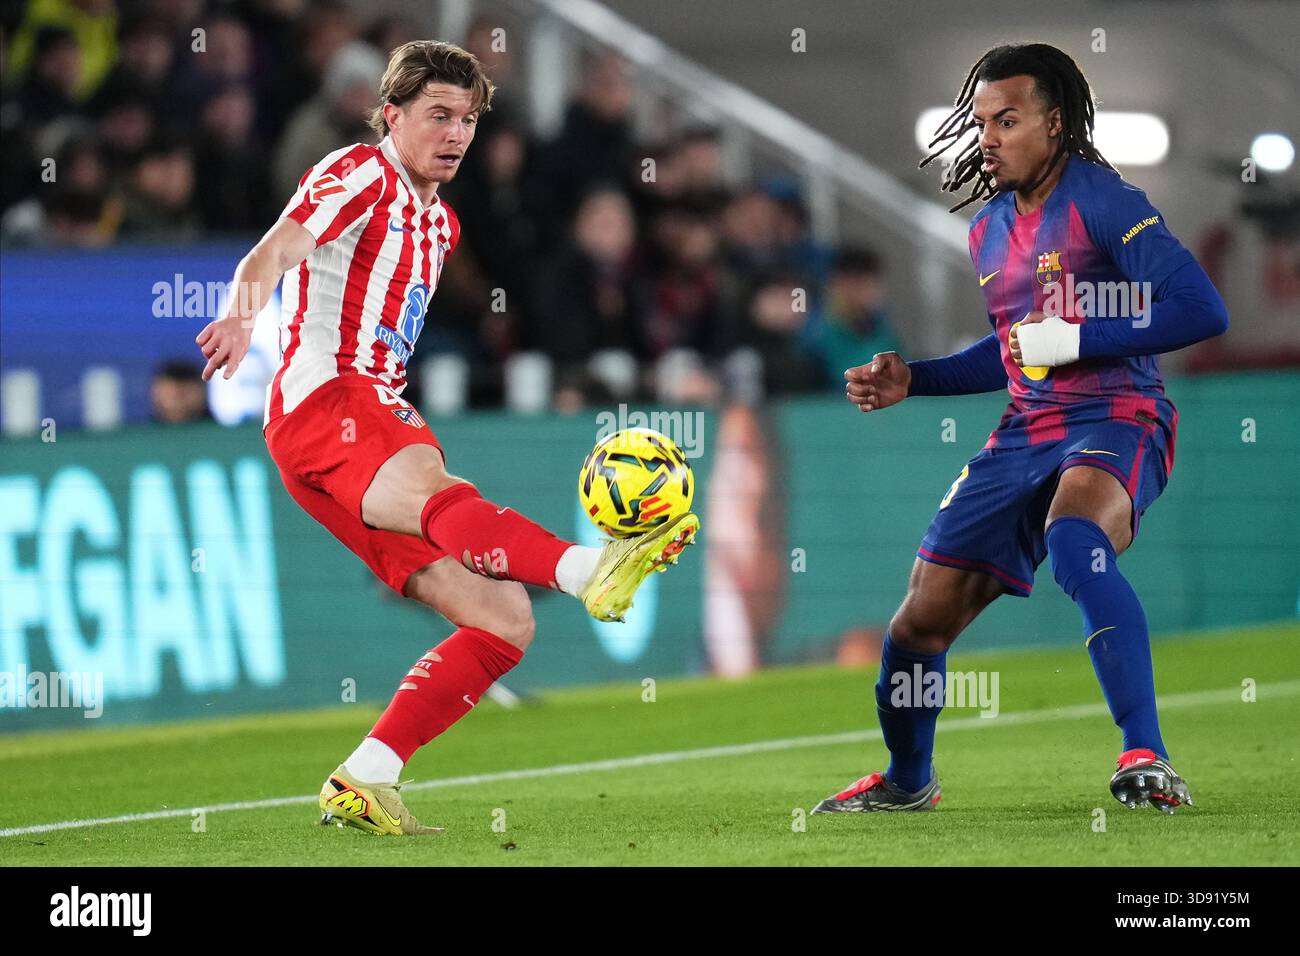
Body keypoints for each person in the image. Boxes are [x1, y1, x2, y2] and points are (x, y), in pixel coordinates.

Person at [195, 41, 698, 836]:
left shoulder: (441, 223)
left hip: (335, 439)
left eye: (467, 118)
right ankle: (588, 569)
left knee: (502, 620)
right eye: (437, 114)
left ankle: (366, 776)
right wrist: (241, 312)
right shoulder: (362, 172)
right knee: (431, 484)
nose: (456, 132)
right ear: (390, 115)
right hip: (330, 402)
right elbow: (279, 247)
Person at [816, 43, 1227, 815]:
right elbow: (1012, 351)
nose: (989, 138)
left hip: (1118, 414)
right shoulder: (990, 230)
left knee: (1077, 538)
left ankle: (1147, 753)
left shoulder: (1105, 201)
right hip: (1027, 429)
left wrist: (1076, 338)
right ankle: (909, 781)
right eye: (980, 122)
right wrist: (920, 377)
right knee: (919, 620)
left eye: (1007, 120)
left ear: (1056, 122)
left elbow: (1201, 310)